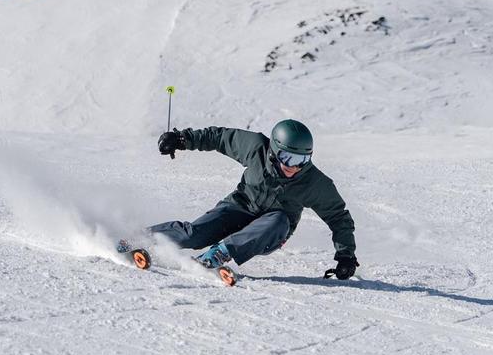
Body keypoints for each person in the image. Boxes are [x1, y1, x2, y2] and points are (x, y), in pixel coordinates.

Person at [152, 120, 359, 280]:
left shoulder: (314, 182)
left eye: (302, 160)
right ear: (274, 151)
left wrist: (346, 255)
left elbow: (338, 217)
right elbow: (219, 137)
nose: (294, 167)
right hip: (239, 207)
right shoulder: (255, 148)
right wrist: (181, 140)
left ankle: (218, 255)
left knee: (279, 219)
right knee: (194, 235)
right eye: (289, 158)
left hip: (271, 230)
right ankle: (139, 236)